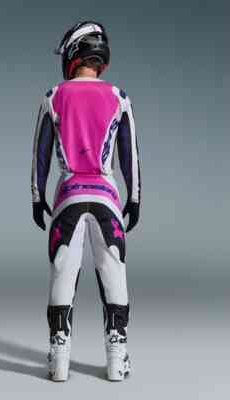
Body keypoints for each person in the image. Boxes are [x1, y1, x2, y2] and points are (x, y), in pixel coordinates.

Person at [31, 21, 141, 382]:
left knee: (63, 271)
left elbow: (40, 154)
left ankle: (59, 359)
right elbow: (129, 155)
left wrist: (37, 196)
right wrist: (134, 198)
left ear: (72, 53)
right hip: (107, 197)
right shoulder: (119, 97)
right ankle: (117, 358)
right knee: (113, 271)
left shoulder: (53, 96)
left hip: (68, 196)